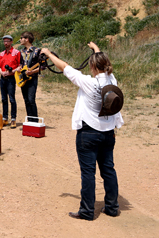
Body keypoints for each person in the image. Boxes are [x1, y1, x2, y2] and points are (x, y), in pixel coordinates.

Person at [41, 42, 124, 221]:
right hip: (108, 132)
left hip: (89, 133)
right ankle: (112, 207)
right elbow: (102, 64)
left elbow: (64, 67)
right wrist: (96, 49)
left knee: (88, 173)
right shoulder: (112, 80)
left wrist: (48, 53)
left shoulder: (87, 82)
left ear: (93, 66)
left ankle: (87, 211)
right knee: (108, 170)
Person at [0, 34, 21, 128]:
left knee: (11, 98)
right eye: (4, 41)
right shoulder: (2, 54)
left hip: (11, 78)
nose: (6, 43)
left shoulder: (16, 52)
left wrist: (12, 71)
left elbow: (19, 65)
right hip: (3, 78)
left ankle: (13, 118)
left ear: (11, 42)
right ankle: (5, 118)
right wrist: (2, 72)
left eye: (7, 41)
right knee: (3, 99)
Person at [19, 31, 41, 120]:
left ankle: (35, 122)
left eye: (21, 38)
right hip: (23, 78)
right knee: (26, 100)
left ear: (27, 39)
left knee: (31, 100)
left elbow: (42, 67)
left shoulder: (37, 51)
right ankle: (29, 121)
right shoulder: (21, 51)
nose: (20, 40)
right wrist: (19, 68)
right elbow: (20, 64)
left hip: (32, 79)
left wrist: (33, 71)